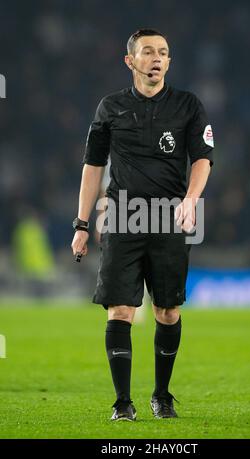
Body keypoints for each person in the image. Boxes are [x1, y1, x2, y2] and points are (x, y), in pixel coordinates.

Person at [71, 29, 214, 421]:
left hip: (170, 218)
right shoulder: (110, 107)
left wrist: (190, 200)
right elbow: (93, 167)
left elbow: (202, 158)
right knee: (119, 310)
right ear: (130, 60)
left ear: (169, 62)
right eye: (148, 51)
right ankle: (122, 403)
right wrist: (82, 224)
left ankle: (162, 395)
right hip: (121, 217)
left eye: (164, 52)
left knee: (167, 312)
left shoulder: (187, 105)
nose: (157, 58)